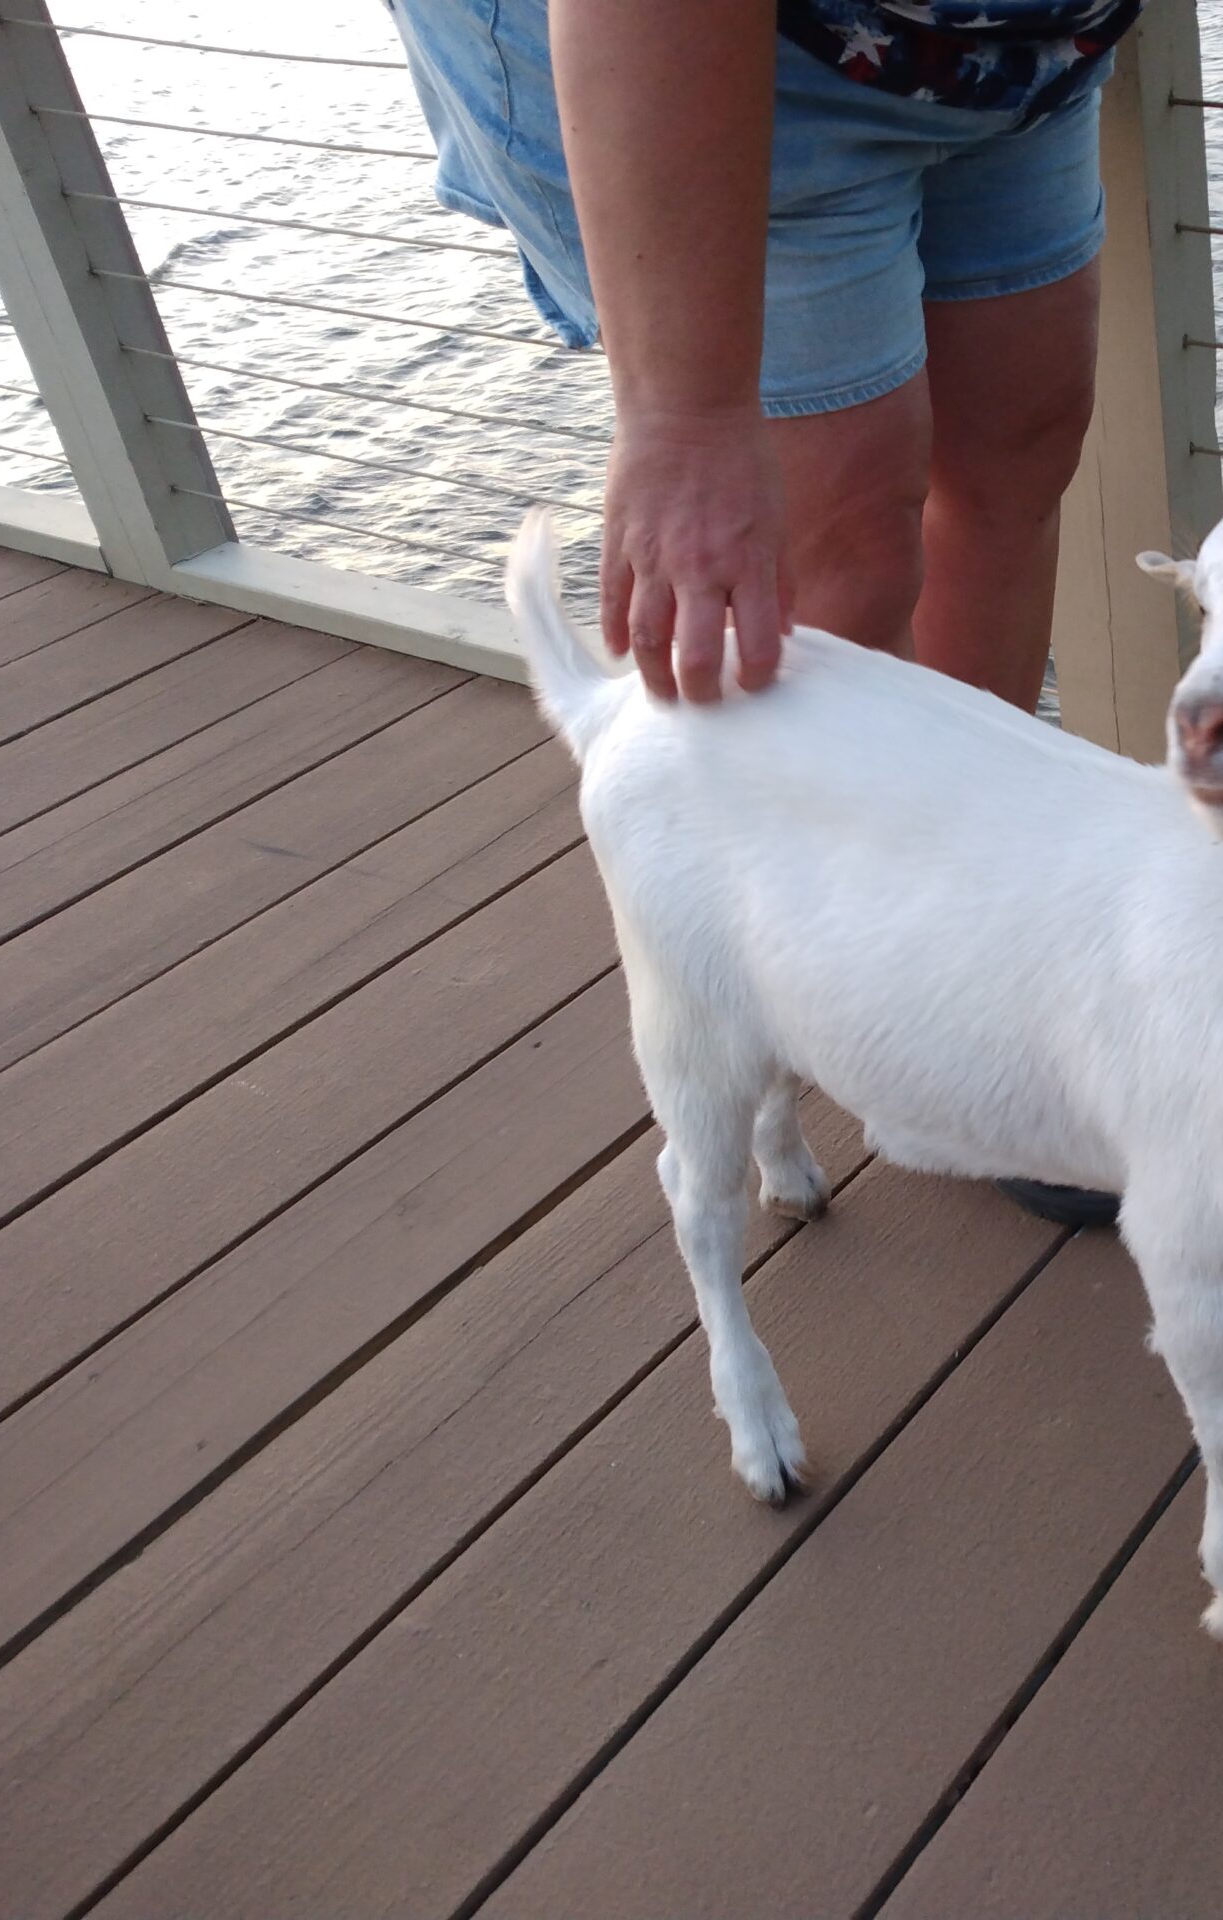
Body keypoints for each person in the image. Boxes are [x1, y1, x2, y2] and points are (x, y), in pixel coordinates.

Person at [389, 0, 1138, 1227]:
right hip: (708, 53)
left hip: (1010, 55)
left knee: (1017, 458)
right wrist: (684, 416)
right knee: (838, 562)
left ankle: (970, 971)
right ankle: (855, 1007)